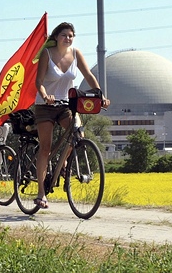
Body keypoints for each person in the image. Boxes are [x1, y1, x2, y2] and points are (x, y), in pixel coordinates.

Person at [34, 22, 110, 209]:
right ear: (56, 37)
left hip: (66, 104)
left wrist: (100, 94)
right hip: (46, 105)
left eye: (70, 35)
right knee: (45, 148)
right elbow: (39, 82)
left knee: (78, 134)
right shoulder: (47, 54)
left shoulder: (76, 53)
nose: (68, 38)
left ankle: (64, 160)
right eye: (64, 35)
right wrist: (45, 96)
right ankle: (41, 193)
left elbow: (89, 76)